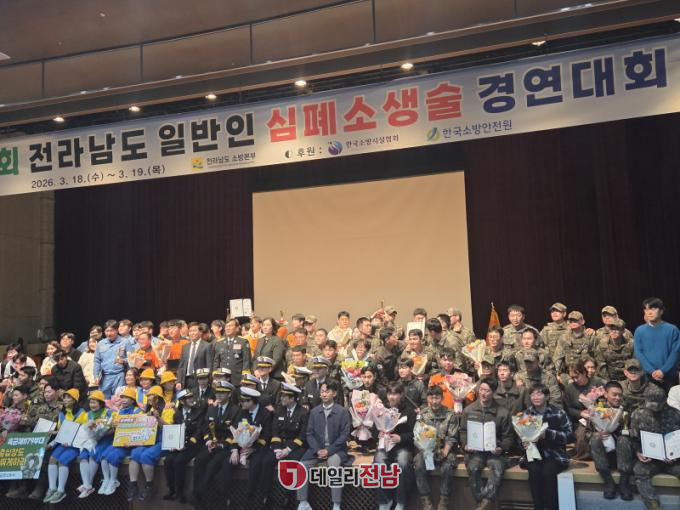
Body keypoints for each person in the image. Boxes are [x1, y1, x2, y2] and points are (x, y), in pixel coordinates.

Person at [296, 379, 351, 510]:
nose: (324, 394)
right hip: (317, 449)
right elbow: (309, 434)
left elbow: (344, 435)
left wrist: (329, 451)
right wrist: (317, 449)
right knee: (301, 466)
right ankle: (303, 502)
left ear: (334, 393)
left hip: (336, 450)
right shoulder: (314, 411)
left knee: (334, 466)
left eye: (327, 391)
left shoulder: (342, 411)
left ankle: (336, 504)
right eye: (322, 391)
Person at [460, 378, 513, 510]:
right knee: (473, 467)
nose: (483, 393)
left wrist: (501, 447)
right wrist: (465, 445)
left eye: (487, 391)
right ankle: (482, 502)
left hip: (494, 452)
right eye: (481, 389)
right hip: (475, 451)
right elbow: (463, 431)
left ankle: (484, 503)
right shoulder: (469, 410)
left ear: (493, 392)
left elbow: (509, 437)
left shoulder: (503, 412)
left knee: (497, 467)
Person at [522, 383, 573, 510]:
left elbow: (570, 436)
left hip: (555, 454)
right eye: (532, 394)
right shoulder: (527, 414)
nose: (535, 397)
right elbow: (521, 435)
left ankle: (552, 507)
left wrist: (548, 434)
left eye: (539, 394)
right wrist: (523, 442)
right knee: (534, 471)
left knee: (548, 473)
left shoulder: (559, 413)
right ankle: (538, 507)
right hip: (534, 453)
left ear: (547, 396)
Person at [220, 387, 273, 508]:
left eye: (244, 401)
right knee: (227, 463)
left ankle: (250, 499)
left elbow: (267, 436)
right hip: (241, 447)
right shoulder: (242, 412)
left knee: (256, 464)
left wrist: (253, 449)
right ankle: (226, 498)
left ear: (252, 402)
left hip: (257, 448)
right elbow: (235, 432)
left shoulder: (265, 414)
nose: (241, 403)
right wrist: (234, 450)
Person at [191, 381, 239, 508]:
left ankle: (200, 493)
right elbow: (206, 427)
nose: (219, 395)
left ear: (229, 394)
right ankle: (198, 496)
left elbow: (235, 433)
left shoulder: (235, 410)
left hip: (225, 447)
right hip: (211, 444)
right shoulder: (212, 408)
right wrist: (208, 440)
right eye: (217, 392)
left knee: (212, 466)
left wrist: (222, 445)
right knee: (199, 460)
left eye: (223, 393)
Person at [260, 382, 309, 508]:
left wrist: (288, 449)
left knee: (290, 463)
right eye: (281, 396)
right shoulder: (279, 410)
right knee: (266, 461)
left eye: (284, 396)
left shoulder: (303, 412)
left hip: (296, 446)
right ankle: (266, 497)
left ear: (292, 399)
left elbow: (303, 436)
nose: (281, 398)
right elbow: (275, 431)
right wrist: (277, 449)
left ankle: (288, 498)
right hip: (280, 444)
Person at [631, 388, 680, 510]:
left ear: (664, 401)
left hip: (673, 461)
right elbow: (634, 439)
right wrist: (638, 452)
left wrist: (676, 455)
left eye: (659, 405)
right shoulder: (638, 414)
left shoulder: (675, 414)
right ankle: (653, 505)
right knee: (639, 470)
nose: (655, 408)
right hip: (650, 460)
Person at [414, 385, 459, 510]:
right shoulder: (423, 414)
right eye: (431, 398)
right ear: (427, 398)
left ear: (442, 398)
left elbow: (452, 437)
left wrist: (445, 452)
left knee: (448, 466)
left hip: (445, 449)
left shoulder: (450, 414)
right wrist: (426, 450)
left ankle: (444, 500)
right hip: (428, 450)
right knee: (418, 462)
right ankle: (426, 500)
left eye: (437, 398)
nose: (434, 401)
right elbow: (418, 436)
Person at [127, 385, 175, 501]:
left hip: (164, 441)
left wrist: (158, 418)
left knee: (146, 456)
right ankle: (133, 485)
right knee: (135, 453)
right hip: (149, 440)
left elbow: (170, 429)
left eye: (151, 396)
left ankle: (149, 486)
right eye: (148, 396)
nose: (148, 398)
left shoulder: (168, 410)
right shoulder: (148, 411)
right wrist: (131, 439)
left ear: (158, 398)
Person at [588, 381, 634, 500]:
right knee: (595, 438)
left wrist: (620, 432)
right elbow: (587, 432)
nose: (618, 398)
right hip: (604, 456)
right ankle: (608, 481)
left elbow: (632, 432)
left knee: (623, 439)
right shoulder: (597, 409)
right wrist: (598, 433)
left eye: (620, 395)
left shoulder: (626, 410)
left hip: (622, 455)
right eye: (614, 394)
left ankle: (624, 482)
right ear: (606, 394)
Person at [374, 382, 416, 510]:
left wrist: (401, 438)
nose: (392, 397)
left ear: (401, 395)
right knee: (378, 463)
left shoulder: (409, 411)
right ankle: (384, 501)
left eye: (395, 394)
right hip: (384, 446)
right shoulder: (381, 409)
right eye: (389, 393)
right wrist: (379, 433)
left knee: (403, 464)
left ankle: (401, 501)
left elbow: (414, 434)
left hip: (402, 446)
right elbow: (373, 429)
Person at [43, 388, 87, 503]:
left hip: (75, 445)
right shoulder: (62, 413)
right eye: (64, 397)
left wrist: (71, 441)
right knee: (52, 459)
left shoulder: (82, 413)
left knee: (62, 461)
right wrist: (51, 443)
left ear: (75, 400)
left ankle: (61, 490)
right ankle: (52, 488)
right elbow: (61, 432)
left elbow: (82, 432)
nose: (65, 400)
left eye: (68, 398)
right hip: (63, 443)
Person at [163, 389, 207, 503]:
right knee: (168, 461)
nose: (191, 399)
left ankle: (180, 492)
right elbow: (174, 429)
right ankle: (171, 490)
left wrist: (187, 444)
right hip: (179, 444)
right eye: (188, 398)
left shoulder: (199, 412)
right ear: (182, 401)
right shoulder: (177, 413)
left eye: (192, 397)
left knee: (179, 461)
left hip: (193, 445)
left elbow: (199, 431)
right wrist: (172, 444)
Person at [98, 387, 143, 495]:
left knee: (114, 456)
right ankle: (107, 480)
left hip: (132, 444)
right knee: (103, 456)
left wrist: (131, 442)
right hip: (119, 442)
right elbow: (115, 430)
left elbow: (141, 431)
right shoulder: (120, 412)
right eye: (122, 397)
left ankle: (113, 480)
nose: (123, 400)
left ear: (133, 400)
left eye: (126, 398)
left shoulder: (138, 411)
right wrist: (113, 426)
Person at [634, 297, 680, 392]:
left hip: (669, 377)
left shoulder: (672, 330)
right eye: (646, 309)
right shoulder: (639, 330)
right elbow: (638, 352)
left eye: (653, 308)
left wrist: (663, 371)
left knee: (671, 401)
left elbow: (675, 353)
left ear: (661, 311)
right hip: (647, 377)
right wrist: (651, 371)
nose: (649, 312)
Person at [77, 390, 112, 499]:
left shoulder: (109, 413)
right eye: (91, 402)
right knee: (83, 455)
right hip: (90, 440)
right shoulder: (86, 414)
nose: (92, 405)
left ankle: (88, 485)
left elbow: (114, 428)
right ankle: (87, 485)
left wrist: (104, 432)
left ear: (101, 403)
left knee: (94, 454)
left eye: (94, 402)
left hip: (105, 439)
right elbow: (78, 426)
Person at [563, 360, 598, 460]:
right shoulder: (569, 388)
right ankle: (583, 454)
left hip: (598, 417)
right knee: (582, 434)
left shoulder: (596, 384)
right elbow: (567, 409)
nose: (575, 380)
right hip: (579, 420)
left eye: (577, 376)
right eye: (572, 377)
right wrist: (580, 413)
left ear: (584, 373)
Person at [554, 311, 595, 385]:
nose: (573, 322)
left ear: (582, 321)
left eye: (575, 320)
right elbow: (558, 357)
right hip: (569, 374)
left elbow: (596, 356)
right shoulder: (564, 338)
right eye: (571, 321)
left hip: (587, 373)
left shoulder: (590, 336)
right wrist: (556, 374)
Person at [93, 320, 129, 398]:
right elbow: (97, 361)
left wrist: (124, 361)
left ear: (117, 330)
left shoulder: (125, 342)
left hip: (120, 376)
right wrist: (96, 375)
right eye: (107, 331)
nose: (109, 333)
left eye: (111, 330)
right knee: (104, 400)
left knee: (118, 400)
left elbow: (132, 359)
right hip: (105, 377)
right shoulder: (100, 344)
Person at [212, 318, 252, 386]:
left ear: (236, 328)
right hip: (222, 378)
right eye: (226, 326)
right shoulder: (219, 342)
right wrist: (215, 376)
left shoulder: (243, 341)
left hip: (237, 378)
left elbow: (246, 361)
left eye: (230, 326)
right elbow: (216, 361)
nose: (228, 328)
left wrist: (244, 377)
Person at [177, 322, 213, 393]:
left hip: (200, 379)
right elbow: (181, 366)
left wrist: (209, 380)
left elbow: (209, 365)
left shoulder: (207, 346)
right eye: (190, 331)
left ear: (200, 332)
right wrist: (179, 381)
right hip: (186, 380)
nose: (192, 333)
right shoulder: (185, 347)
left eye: (194, 331)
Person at [595, 318, 634, 382]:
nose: (614, 331)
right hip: (608, 380)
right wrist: (609, 383)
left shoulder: (631, 344)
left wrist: (629, 380)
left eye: (617, 329)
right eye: (612, 329)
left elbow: (634, 363)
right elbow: (601, 367)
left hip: (628, 379)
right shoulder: (602, 346)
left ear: (623, 331)